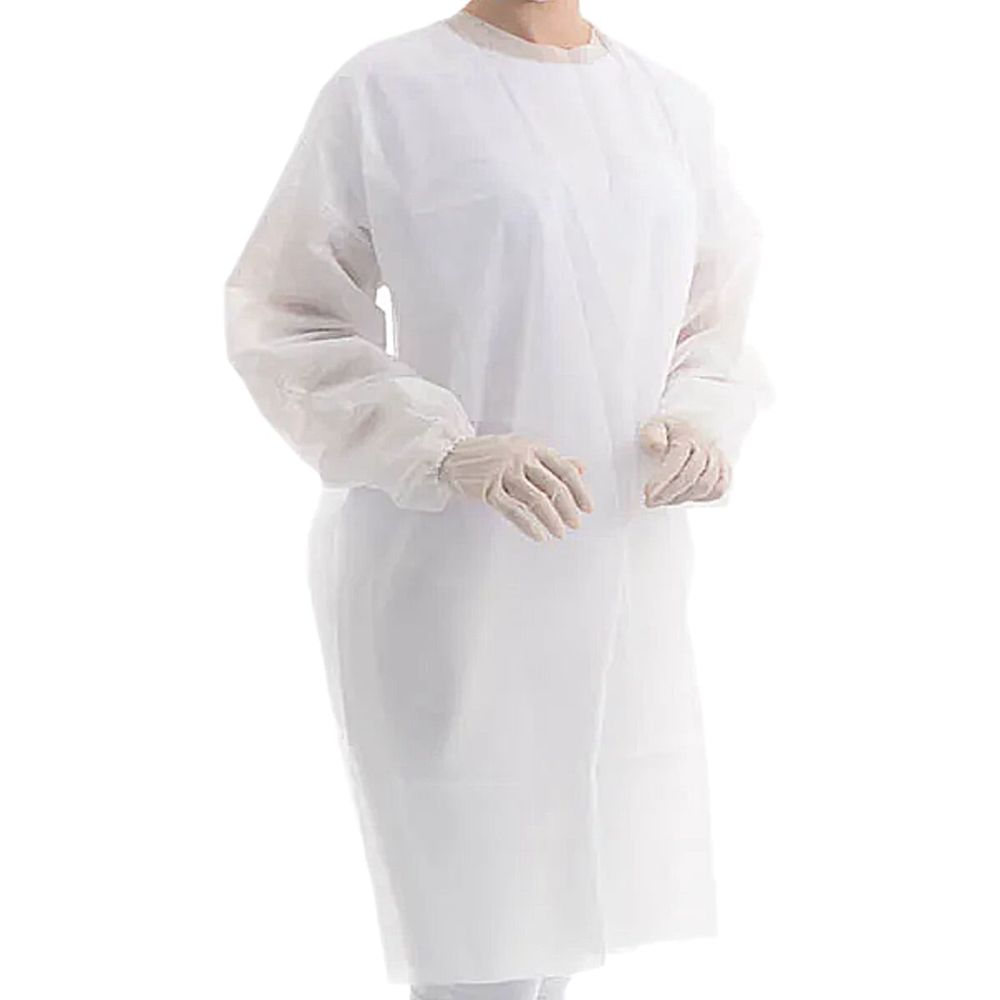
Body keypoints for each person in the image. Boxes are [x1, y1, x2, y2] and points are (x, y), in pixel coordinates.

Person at [225, 2, 766, 998]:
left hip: (621, 568)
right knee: (478, 943)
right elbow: (284, 313)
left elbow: (712, 318)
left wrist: (699, 419)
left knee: (565, 926)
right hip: (450, 573)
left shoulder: (667, 107)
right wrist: (441, 445)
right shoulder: (388, 92)